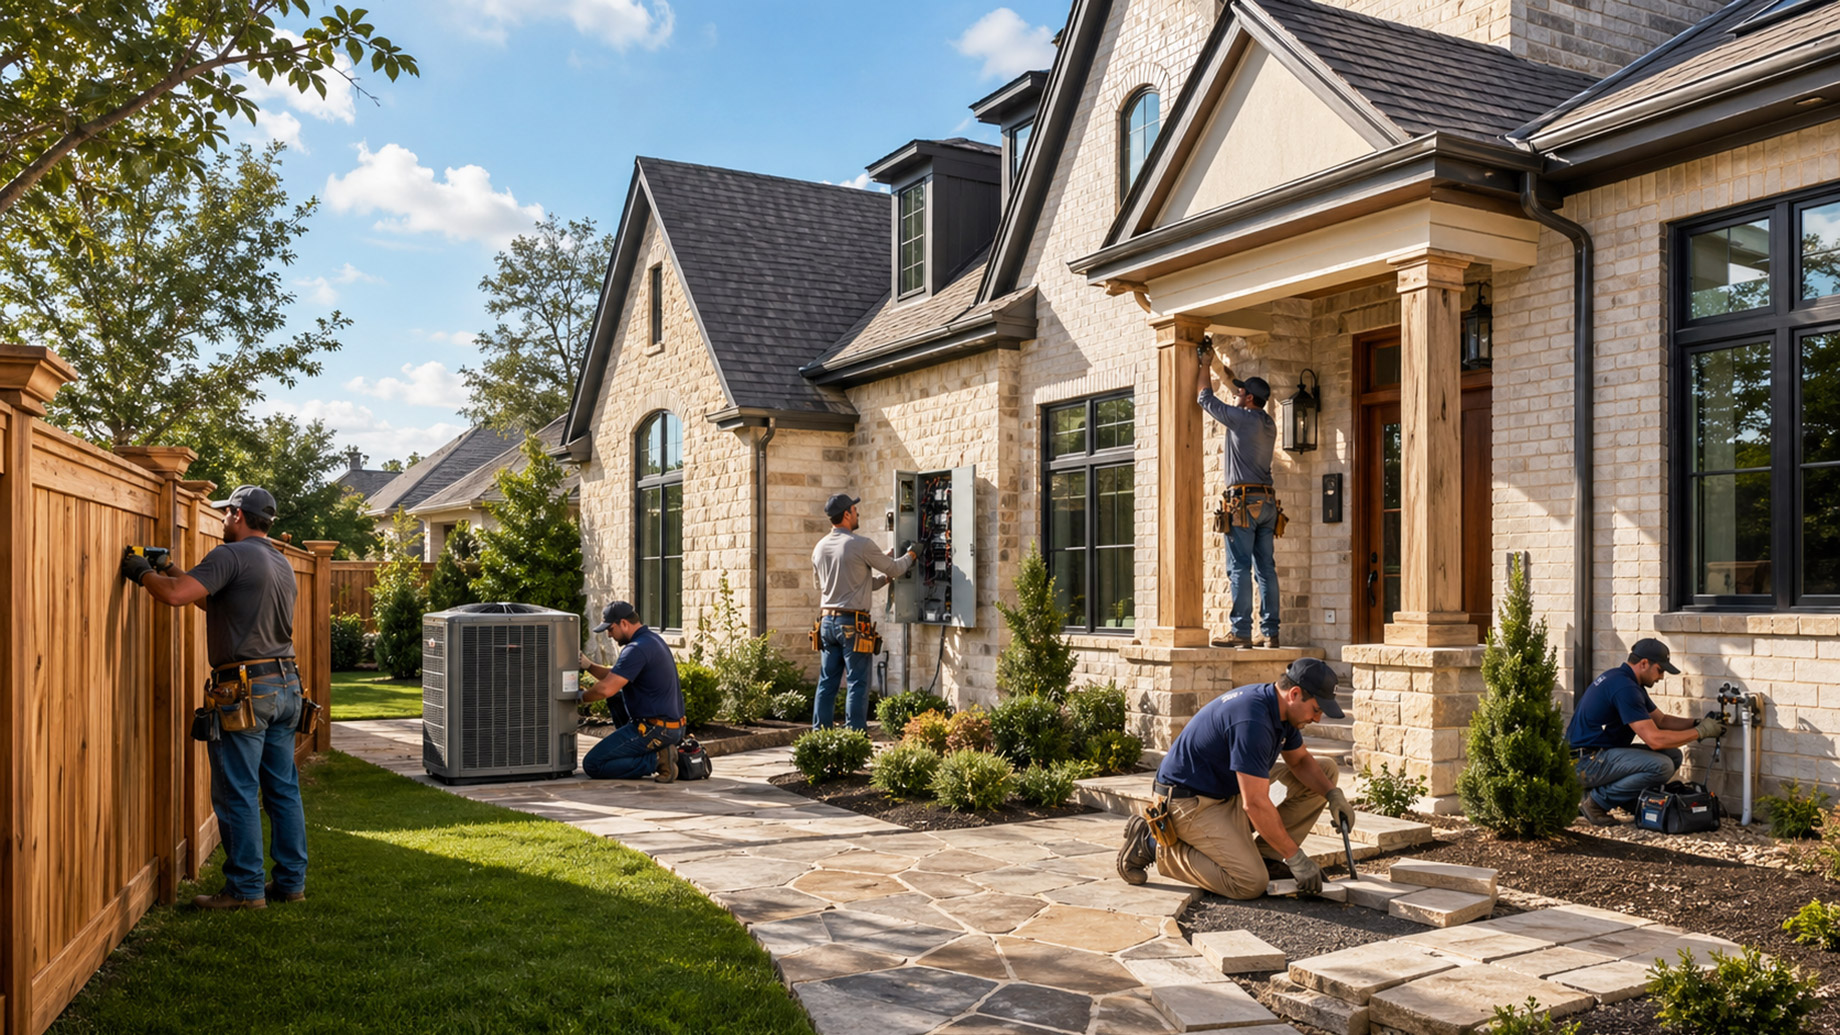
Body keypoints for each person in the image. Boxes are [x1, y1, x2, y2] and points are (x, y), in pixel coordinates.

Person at [120, 485, 308, 910]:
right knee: (282, 789)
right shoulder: (279, 562)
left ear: (238, 515)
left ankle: (244, 890)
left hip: (244, 691)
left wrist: (141, 572)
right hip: (286, 686)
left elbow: (174, 597)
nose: (222, 519)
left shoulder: (230, 555)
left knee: (237, 790)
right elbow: (217, 602)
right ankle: (291, 883)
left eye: (226, 513)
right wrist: (170, 567)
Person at [1116, 658, 1355, 900]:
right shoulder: (1253, 720)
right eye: (1317, 709)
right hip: (1188, 803)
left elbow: (1301, 761)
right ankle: (1152, 844)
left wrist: (1333, 795)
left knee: (1325, 772)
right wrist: (1296, 858)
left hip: (1226, 793)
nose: (1317, 719)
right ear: (1294, 694)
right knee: (1249, 882)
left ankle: (1266, 857)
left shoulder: (1282, 710)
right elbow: (1255, 803)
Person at [1569, 637, 1723, 825]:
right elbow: (1655, 740)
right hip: (1585, 762)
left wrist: (1698, 722)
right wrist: (1701, 732)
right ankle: (1595, 803)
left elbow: (1661, 720)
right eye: (1660, 670)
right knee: (1661, 765)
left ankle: (1624, 798)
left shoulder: (1625, 681)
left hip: (1598, 755)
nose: (1661, 677)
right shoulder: (1625, 688)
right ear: (1644, 663)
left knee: (1673, 755)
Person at [1198, 345, 1282, 649]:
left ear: (1248, 399)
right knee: (1266, 569)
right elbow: (1236, 387)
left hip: (1243, 504)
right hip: (1268, 504)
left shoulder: (1240, 419)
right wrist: (1221, 367)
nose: (1237, 394)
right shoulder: (1267, 423)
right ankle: (1270, 632)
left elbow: (1204, 398)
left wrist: (1204, 365)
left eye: (1241, 393)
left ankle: (1241, 631)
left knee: (1239, 568)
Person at [810, 493, 916, 731]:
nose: (858, 513)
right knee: (857, 683)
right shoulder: (861, 544)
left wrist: (882, 577)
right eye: (855, 510)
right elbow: (897, 568)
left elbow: (831, 586)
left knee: (827, 683)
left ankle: (820, 737)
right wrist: (912, 554)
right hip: (853, 625)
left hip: (826, 622)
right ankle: (856, 738)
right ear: (847, 514)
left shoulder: (819, 548)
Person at [578, 600, 687, 782]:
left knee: (593, 764)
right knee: (617, 700)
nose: (609, 635)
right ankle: (658, 752)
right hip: (671, 727)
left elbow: (606, 689)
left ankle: (659, 760)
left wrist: (579, 698)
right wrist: (588, 666)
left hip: (655, 729)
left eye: (610, 629)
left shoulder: (636, 649)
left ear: (624, 623)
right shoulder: (650, 640)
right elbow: (616, 676)